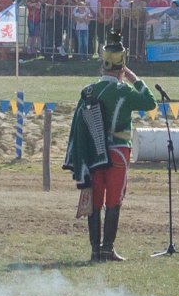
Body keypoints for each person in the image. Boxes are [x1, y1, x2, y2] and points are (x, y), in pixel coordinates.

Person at [62, 40, 159, 263]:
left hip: (93, 154)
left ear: (103, 66)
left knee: (95, 200)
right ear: (122, 68)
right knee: (114, 200)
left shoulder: (88, 91)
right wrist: (134, 79)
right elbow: (149, 102)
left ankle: (95, 251)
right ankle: (108, 249)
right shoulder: (124, 90)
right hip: (117, 153)